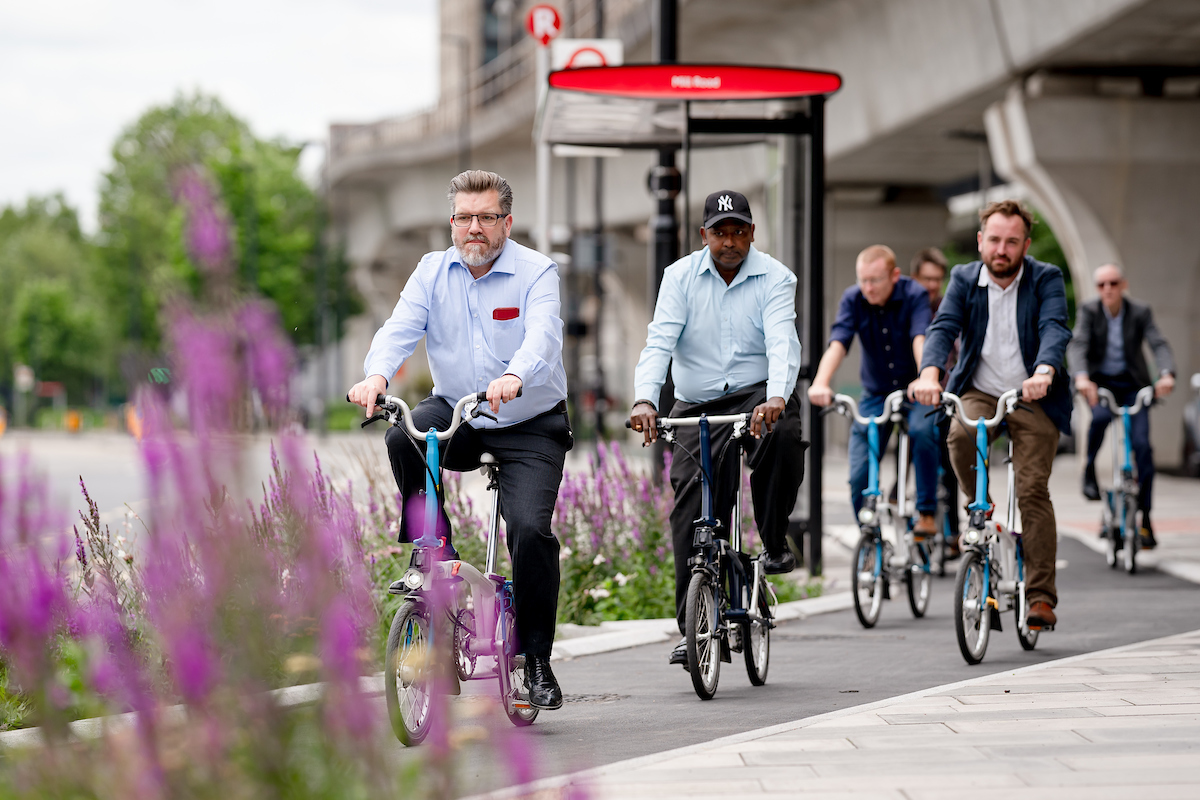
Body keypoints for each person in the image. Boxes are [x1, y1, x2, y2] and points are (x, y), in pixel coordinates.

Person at [347, 170, 572, 710]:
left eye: (487, 218)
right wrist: (377, 375)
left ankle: (535, 659)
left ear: (506, 223)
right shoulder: (431, 271)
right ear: (451, 223)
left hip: (530, 417)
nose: (475, 228)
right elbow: (399, 328)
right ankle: (435, 553)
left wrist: (516, 375)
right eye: (464, 218)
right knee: (406, 433)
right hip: (460, 409)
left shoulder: (536, 271)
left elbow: (542, 334)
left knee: (529, 529)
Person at [630, 189, 805, 668]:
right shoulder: (679, 277)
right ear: (703, 234)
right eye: (720, 232)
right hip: (698, 400)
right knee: (692, 495)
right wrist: (645, 397)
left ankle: (773, 543)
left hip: (757, 393)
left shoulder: (775, 277)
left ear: (752, 232)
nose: (730, 241)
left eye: (739, 231)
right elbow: (659, 341)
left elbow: (781, 342)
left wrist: (775, 397)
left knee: (784, 436)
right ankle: (693, 625)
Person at [910, 199, 1071, 632]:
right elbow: (943, 326)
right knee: (960, 436)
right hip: (980, 389)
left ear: (1025, 245)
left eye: (1012, 242)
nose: (1002, 249)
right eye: (995, 240)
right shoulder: (964, 277)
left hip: (1032, 393)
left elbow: (1055, 327)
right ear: (981, 241)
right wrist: (929, 373)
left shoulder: (1045, 278)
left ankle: (1039, 597)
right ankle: (977, 507)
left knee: (1032, 489)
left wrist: (1045, 370)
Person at [808, 245, 940, 538]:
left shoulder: (914, 294)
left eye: (874, 280)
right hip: (875, 394)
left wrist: (925, 378)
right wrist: (820, 382)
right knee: (858, 472)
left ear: (894, 275)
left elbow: (921, 337)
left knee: (922, 430)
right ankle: (869, 537)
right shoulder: (853, 299)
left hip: (914, 390)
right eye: (862, 280)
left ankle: (927, 511)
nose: (867, 288)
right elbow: (838, 343)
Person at [1068, 263, 1175, 548]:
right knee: (1100, 418)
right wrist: (1082, 378)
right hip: (1100, 385)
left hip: (1133, 386)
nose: (1108, 290)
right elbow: (1078, 344)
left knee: (1143, 448)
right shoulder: (1089, 311)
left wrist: (1166, 374)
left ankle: (1146, 519)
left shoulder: (1139, 311)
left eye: (1113, 283)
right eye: (1102, 285)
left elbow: (1158, 343)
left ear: (1123, 285)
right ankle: (1088, 468)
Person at [911, 246, 960, 554]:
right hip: (915, 394)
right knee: (919, 438)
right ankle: (907, 502)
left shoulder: (947, 307)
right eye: (927, 278)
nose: (932, 285)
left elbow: (956, 347)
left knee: (950, 456)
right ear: (915, 276)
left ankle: (953, 531)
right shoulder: (909, 306)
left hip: (944, 393)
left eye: (937, 279)